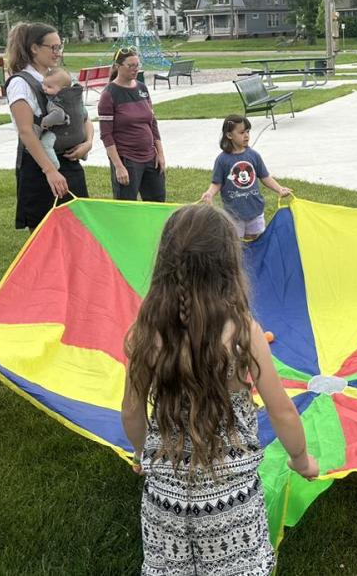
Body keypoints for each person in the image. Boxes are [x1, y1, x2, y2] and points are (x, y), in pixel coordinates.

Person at [121, 204, 318, 575]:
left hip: (167, 499)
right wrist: (301, 459)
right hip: (233, 500)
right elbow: (281, 410)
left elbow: (132, 412)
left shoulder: (145, 333)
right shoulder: (243, 332)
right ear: (228, 265)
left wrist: (139, 452)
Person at [6, 23, 93, 230]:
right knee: (48, 237)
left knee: (78, 231)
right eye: (52, 48)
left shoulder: (57, 77)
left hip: (69, 163)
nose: (57, 53)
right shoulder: (21, 83)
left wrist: (87, 143)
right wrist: (50, 170)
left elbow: (81, 114)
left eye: (59, 47)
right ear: (34, 48)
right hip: (40, 169)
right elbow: (26, 131)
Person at [200, 115, 291, 238]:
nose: (246, 135)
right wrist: (209, 193)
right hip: (233, 214)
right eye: (242, 132)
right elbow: (217, 183)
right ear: (229, 135)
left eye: (248, 131)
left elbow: (265, 177)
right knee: (235, 245)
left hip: (255, 211)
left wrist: (279, 189)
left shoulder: (254, 156)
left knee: (254, 243)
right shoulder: (222, 160)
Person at [99, 46, 166, 202]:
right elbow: (106, 135)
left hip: (150, 158)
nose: (135, 69)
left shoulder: (142, 88)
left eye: (137, 65)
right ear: (117, 66)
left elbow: (152, 123)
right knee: (126, 207)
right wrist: (118, 166)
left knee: (157, 204)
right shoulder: (109, 94)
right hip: (127, 160)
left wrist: (160, 154)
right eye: (131, 66)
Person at [35, 67, 87, 169]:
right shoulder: (76, 98)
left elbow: (58, 115)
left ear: (62, 89)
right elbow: (84, 114)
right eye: (43, 84)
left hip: (61, 136)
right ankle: (84, 155)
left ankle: (54, 165)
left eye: (49, 87)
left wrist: (44, 122)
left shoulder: (56, 101)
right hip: (79, 136)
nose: (44, 88)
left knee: (45, 143)